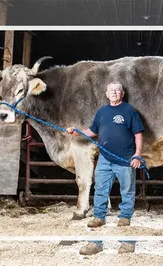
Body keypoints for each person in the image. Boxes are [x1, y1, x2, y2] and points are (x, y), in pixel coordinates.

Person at [66, 81, 145, 255]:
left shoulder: (129, 111)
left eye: (117, 90)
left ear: (122, 94)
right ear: (106, 94)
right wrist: (77, 131)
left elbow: (138, 134)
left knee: (127, 194)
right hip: (104, 160)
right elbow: (92, 131)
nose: (114, 92)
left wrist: (137, 155)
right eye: (111, 90)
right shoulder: (102, 112)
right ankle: (96, 243)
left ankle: (127, 243)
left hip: (125, 160)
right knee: (100, 193)